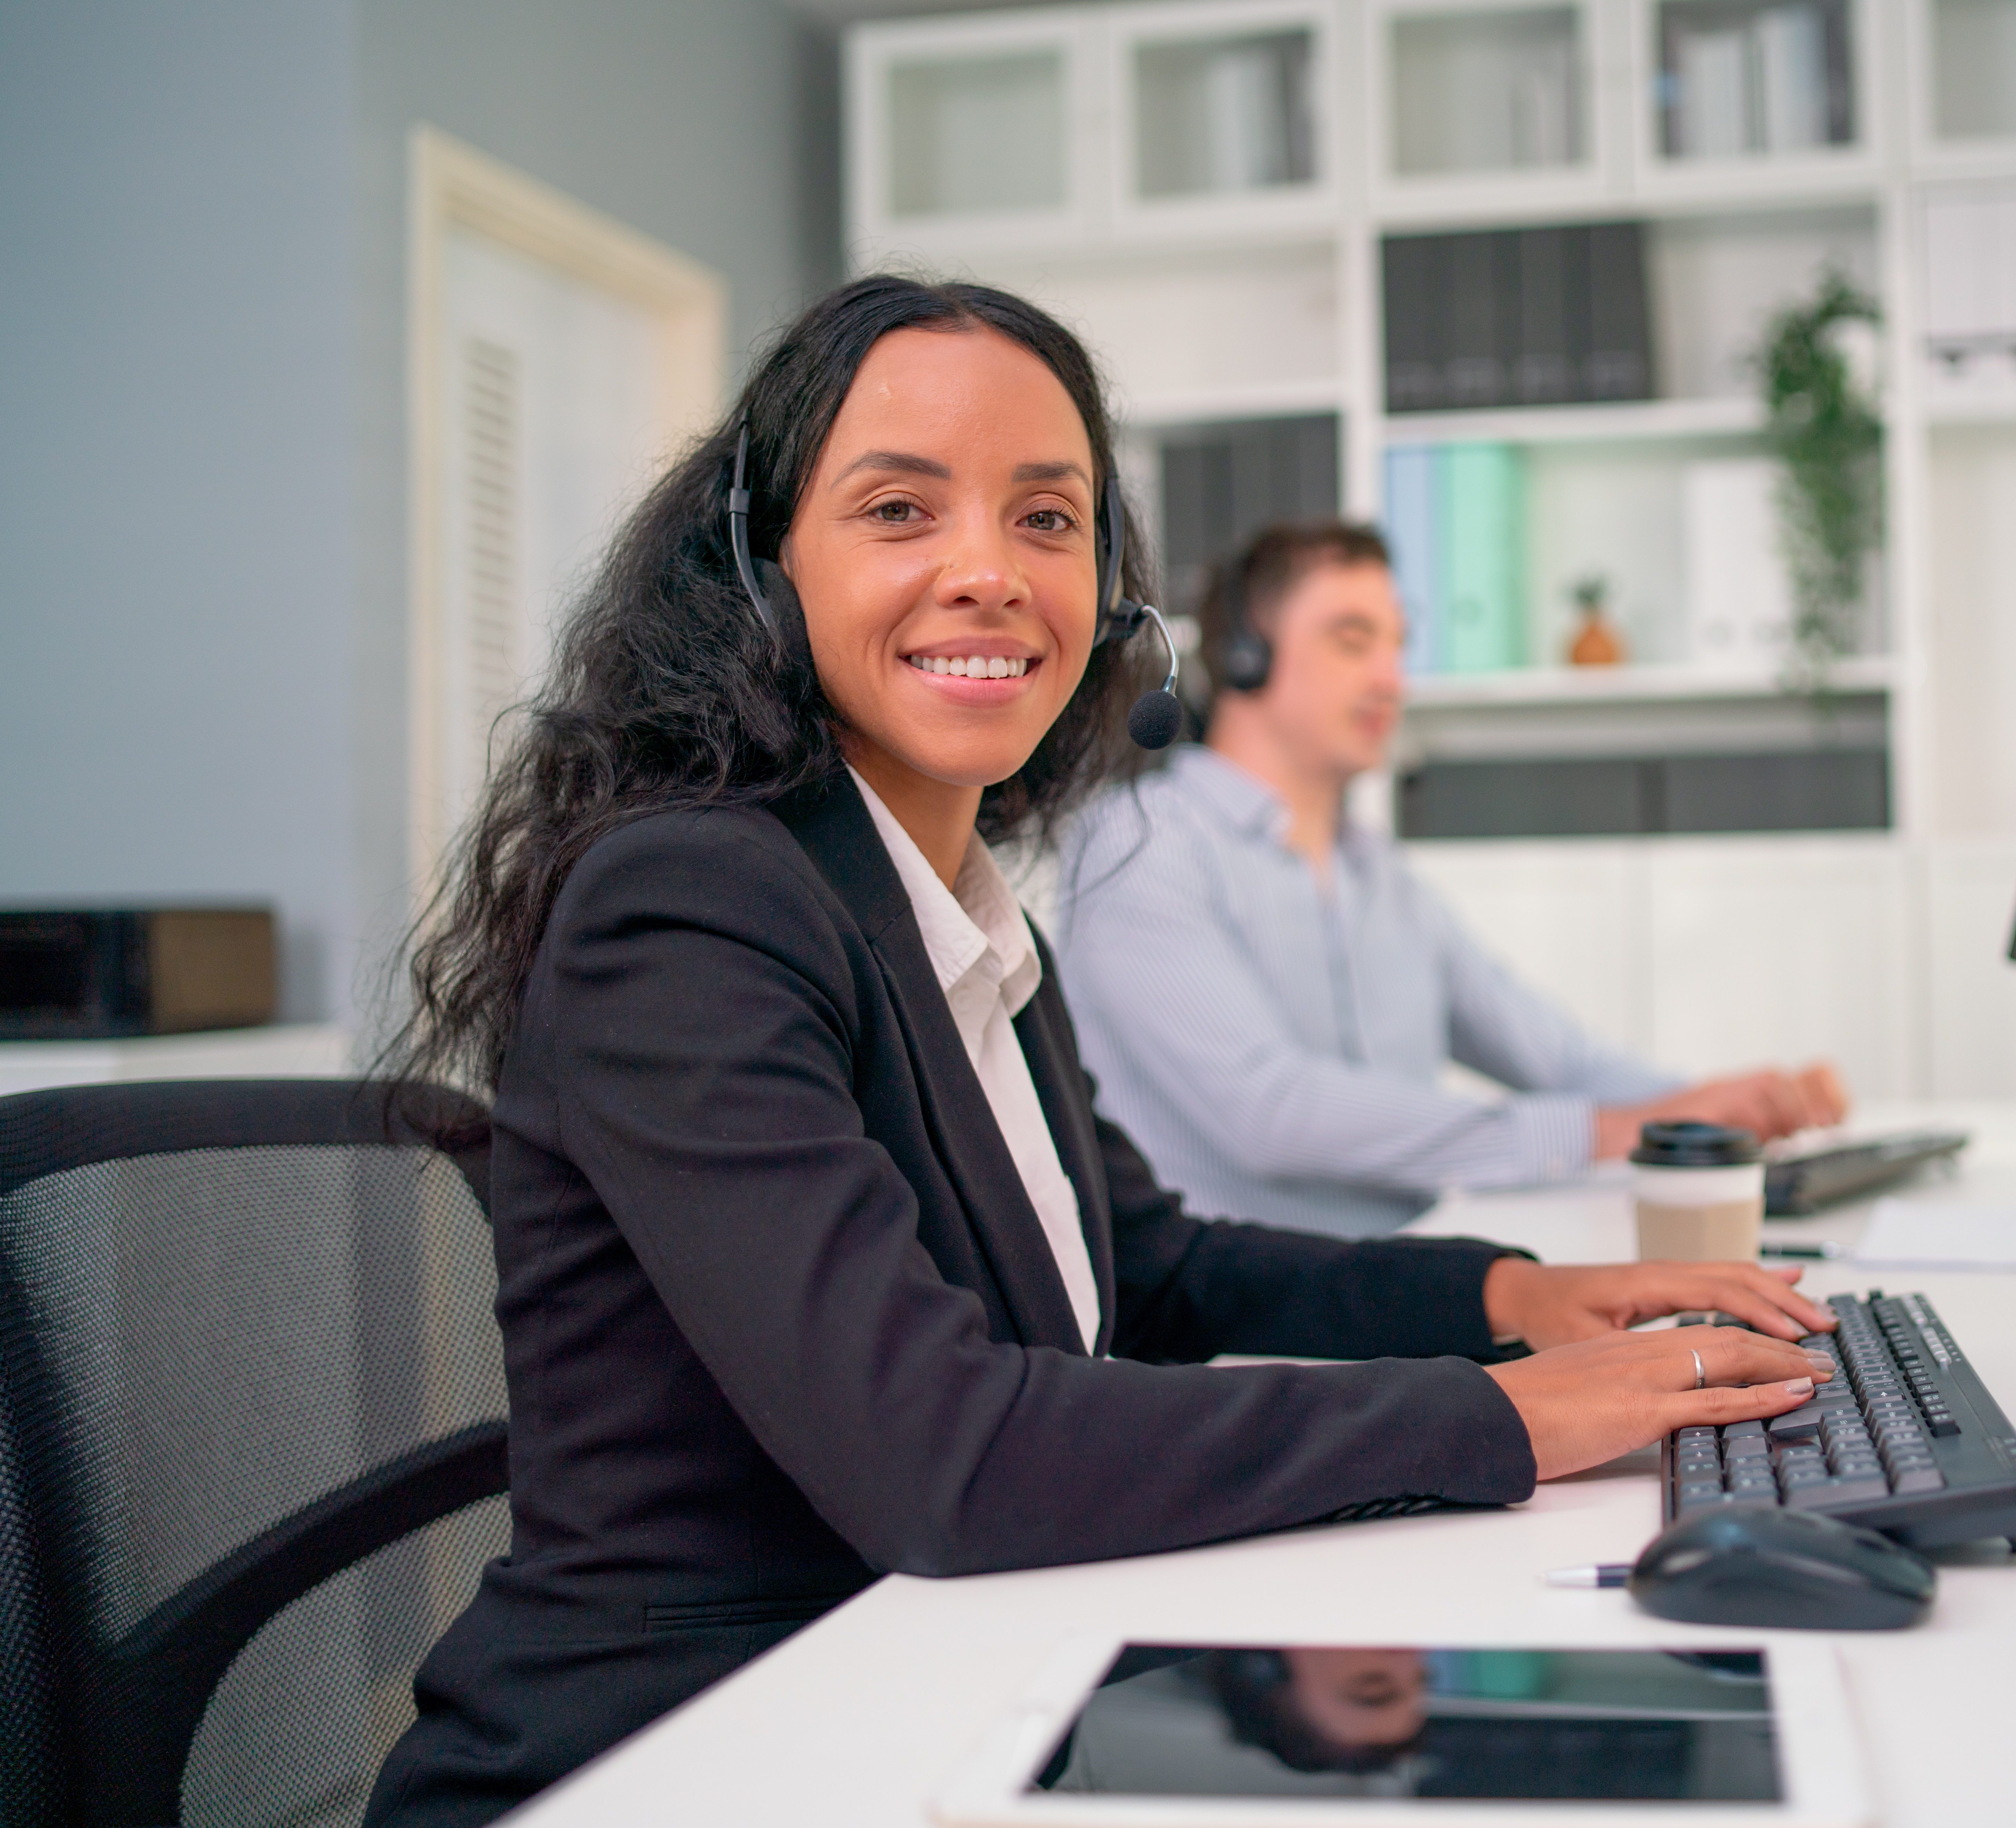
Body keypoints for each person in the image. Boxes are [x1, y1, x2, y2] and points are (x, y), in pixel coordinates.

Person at [364, 276, 1836, 1828]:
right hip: (683, 1755)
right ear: (762, 569)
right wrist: (1516, 1417)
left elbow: (1150, 1265)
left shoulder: (949, 906)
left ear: (1110, 600)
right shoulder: (691, 905)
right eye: (898, 511)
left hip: (925, 1689)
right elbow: (943, 1452)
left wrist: (1513, 1298)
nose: (989, 572)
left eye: (1048, 520)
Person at [1051, 521, 1849, 1238]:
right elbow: (1271, 1112)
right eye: (1353, 640)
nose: (1392, 679)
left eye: (1398, 645)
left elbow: (1558, 1058)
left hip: (1403, 1276)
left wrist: (1727, 1112)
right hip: (1241, 1335)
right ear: (1243, 658)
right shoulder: (1138, 847)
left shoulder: (1378, 872)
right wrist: (1610, 1130)